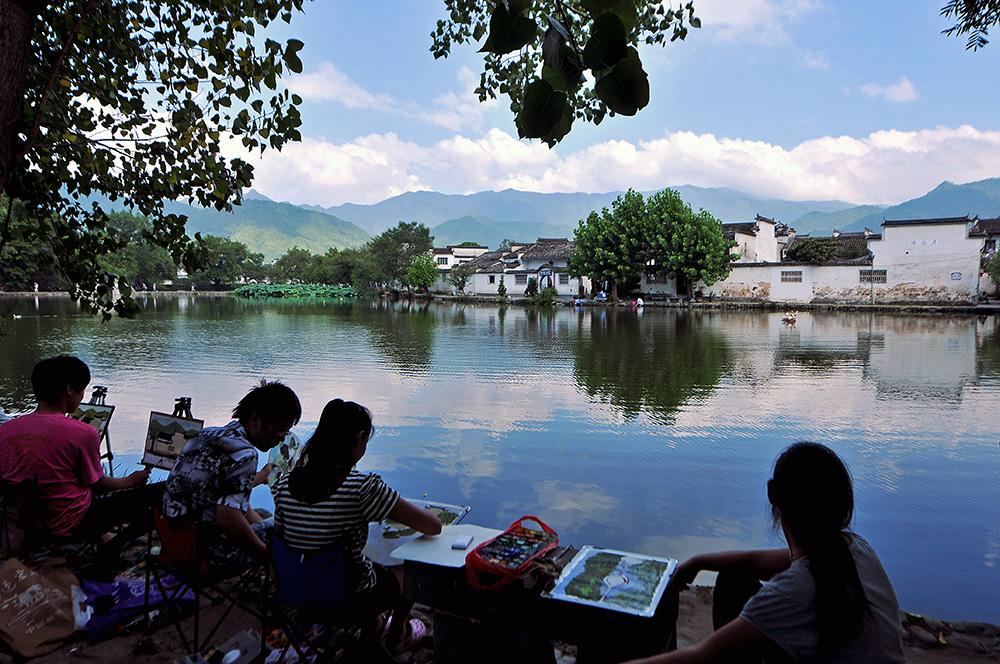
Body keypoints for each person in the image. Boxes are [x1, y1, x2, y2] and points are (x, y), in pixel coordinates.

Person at [626, 442, 905, 664]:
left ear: (773, 494)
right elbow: (754, 562)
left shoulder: (793, 591)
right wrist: (699, 562)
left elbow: (702, 655)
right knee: (735, 577)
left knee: (732, 591)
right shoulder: (854, 549)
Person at [272, 399, 442, 652]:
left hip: (296, 593)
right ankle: (396, 635)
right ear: (359, 438)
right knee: (406, 570)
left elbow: (283, 536)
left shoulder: (284, 484)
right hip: (347, 599)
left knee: (360, 561)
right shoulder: (363, 487)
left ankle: (372, 627)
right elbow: (433, 526)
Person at [0, 356, 155, 542]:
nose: (82, 396)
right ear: (69, 389)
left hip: (22, 523)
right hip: (70, 526)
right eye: (82, 390)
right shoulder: (83, 433)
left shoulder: (5, 431)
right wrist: (131, 480)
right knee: (158, 494)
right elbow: (97, 484)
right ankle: (114, 547)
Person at [162, 380, 301, 567]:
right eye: (280, 429)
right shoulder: (245, 454)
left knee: (262, 516)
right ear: (255, 420)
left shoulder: (205, 435)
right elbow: (227, 518)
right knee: (287, 531)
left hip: (174, 540)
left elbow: (230, 500)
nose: (283, 437)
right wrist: (264, 553)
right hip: (207, 554)